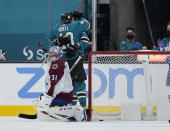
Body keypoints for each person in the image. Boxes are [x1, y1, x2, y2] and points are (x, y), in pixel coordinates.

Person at [49, 11, 90, 108]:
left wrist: (58, 41)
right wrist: (81, 18)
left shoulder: (56, 28)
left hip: (62, 60)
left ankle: (71, 105)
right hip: (75, 58)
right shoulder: (76, 26)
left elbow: (51, 38)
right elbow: (86, 31)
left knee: (69, 84)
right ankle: (82, 106)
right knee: (79, 83)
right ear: (71, 19)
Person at [35, 46, 86, 122]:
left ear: (58, 55)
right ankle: (65, 110)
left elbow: (56, 85)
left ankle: (76, 111)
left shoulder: (57, 66)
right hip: (62, 94)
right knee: (43, 101)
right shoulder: (58, 63)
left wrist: (48, 96)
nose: (51, 56)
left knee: (50, 108)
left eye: (53, 54)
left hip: (62, 95)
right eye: (50, 54)